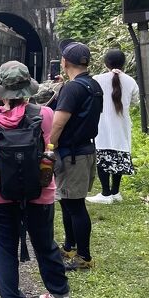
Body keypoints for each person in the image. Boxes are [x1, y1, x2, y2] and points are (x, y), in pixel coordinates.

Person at [0, 61, 71, 298]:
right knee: (44, 243)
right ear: (27, 89)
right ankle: (60, 297)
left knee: (4, 250)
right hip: (40, 193)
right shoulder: (45, 114)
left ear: (1, 91)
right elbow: (49, 142)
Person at [49, 40, 103, 271]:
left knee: (75, 206)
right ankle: (70, 246)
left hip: (72, 155)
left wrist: (48, 147)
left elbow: (58, 123)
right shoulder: (93, 85)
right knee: (68, 202)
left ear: (64, 62)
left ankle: (84, 257)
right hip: (85, 149)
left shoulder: (72, 88)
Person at [86, 49, 139, 204]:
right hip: (122, 125)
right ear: (124, 63)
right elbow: (136, 101)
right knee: (118, 154)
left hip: (102, 124)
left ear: (106, 63)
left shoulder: (97, 79)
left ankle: (105, 193)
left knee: (103, 155)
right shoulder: (130, 81)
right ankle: (115, 192)